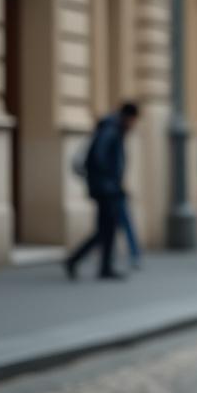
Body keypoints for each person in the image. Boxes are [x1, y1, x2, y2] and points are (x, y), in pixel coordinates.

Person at [64, 101, 139, 281]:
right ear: (129, 117)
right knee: (107, 228)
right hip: (106, 189)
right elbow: (100, 157)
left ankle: (101, 266)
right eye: (135, 120)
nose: (135, 125)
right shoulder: (111, 129)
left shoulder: (113, 128)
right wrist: (112, 182)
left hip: (106, 187)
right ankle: (77, 260)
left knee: (107, 228)